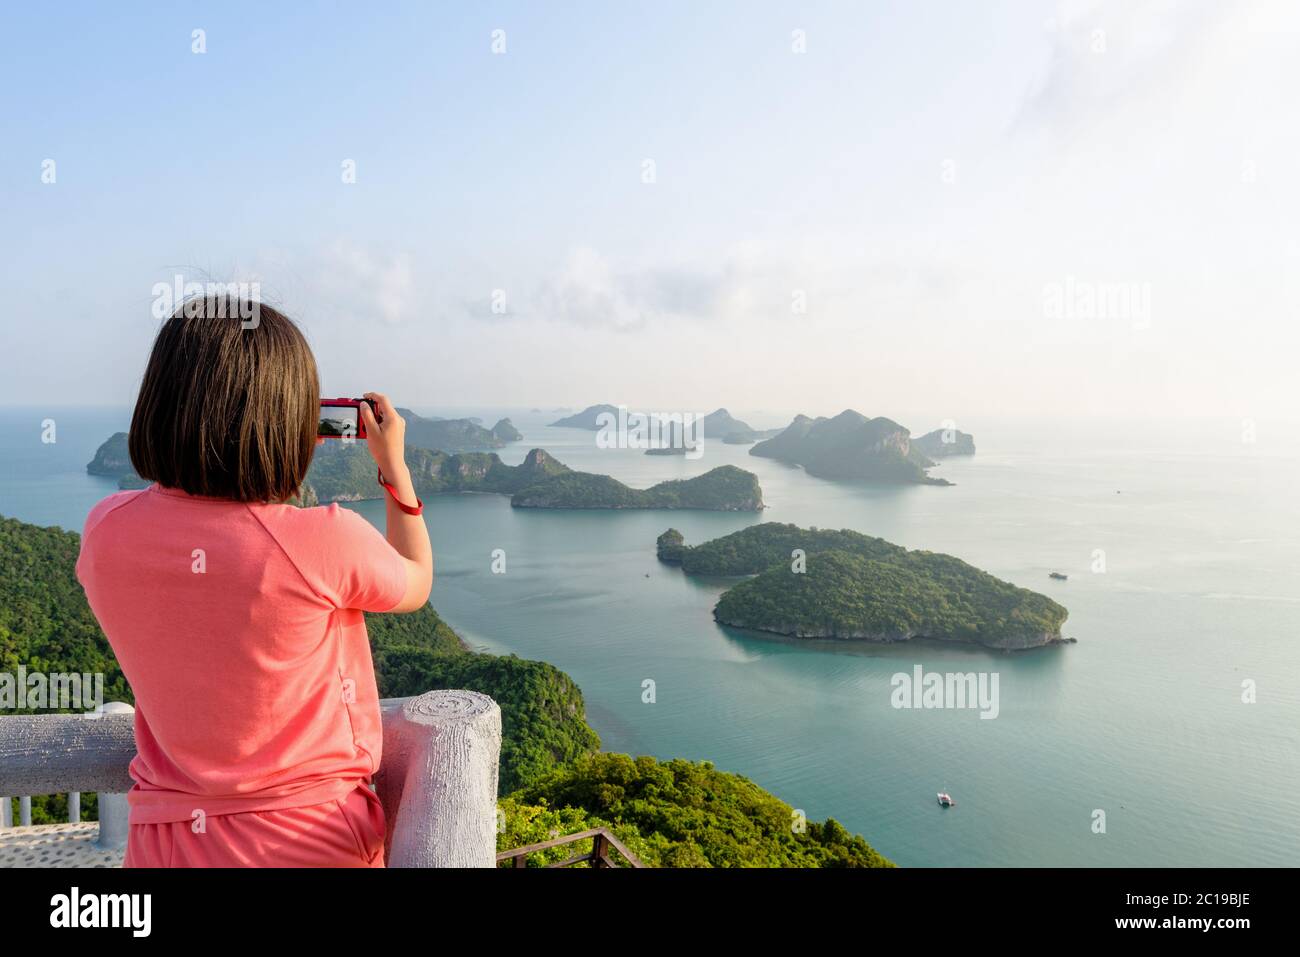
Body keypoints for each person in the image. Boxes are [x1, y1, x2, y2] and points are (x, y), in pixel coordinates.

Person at [75, 296, 433, 867]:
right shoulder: (324, 541)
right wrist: (395, 468)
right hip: (308, 842)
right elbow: (416, 582)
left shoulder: (105, 531)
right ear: (287, 419)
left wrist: (260, 449)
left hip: (164, 844)